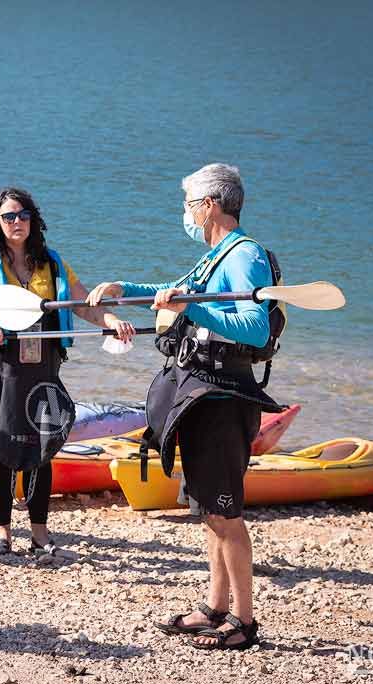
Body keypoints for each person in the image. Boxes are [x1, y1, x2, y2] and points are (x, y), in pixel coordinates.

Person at [87, 163, 284, 650]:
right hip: (198, 395)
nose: (186, 213)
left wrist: (190, 308)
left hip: (222, 400)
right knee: (209, 513)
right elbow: (172, 295)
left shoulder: (245, 256)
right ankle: (215, 607)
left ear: (211, 204)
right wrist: (122, 291)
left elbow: (254, 327)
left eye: (189, 204)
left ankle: (244, 621)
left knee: (225, 514)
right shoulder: (217, 256)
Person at [0, 187, 135, 556]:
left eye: (22, 215)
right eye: (8, 216)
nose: (16, 222)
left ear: (33, 219)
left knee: (43, 445)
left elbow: (84, 305)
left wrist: (112, 319)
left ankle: (39, 534)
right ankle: (2, 534)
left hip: (41, 368)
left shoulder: (51, 263)